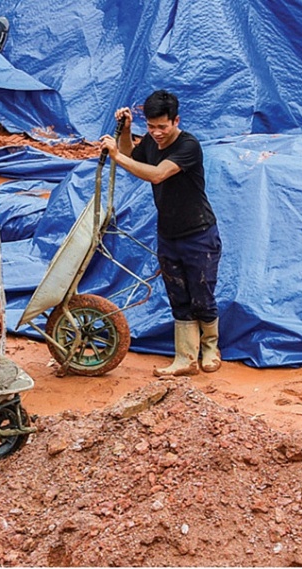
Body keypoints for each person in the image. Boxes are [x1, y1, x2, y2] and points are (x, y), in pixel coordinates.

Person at [99, 90, 222, 377]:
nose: (156, 133)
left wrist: (115, 156)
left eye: (162, 127)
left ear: (176, 121)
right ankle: (185, 358)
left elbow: (156, 174)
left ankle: (211, 349)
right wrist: (126, 131)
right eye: (151, 126)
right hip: (168, 234)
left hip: (199, 234)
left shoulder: (188, 146)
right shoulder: (152, 142)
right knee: (178, 296)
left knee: (201, 296)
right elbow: (131, 155)